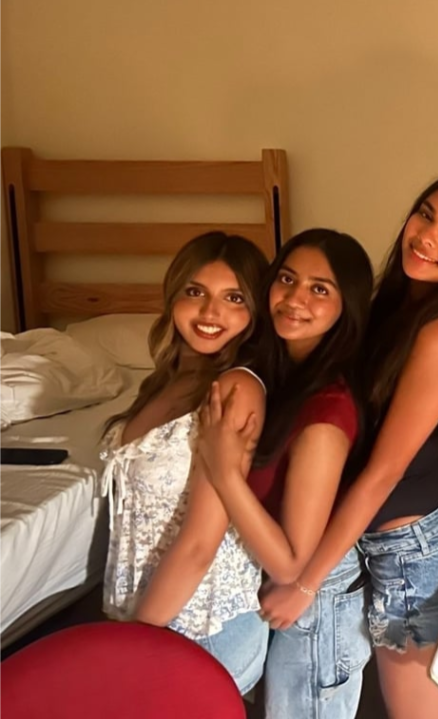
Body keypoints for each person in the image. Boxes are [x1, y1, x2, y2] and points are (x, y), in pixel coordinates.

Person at [260, 174, 438, 719]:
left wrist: (304, 584)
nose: (428, 235)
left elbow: (384, 471)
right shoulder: (389, 306)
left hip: (407, 552)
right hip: (370, 538)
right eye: (426, 214)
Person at [197, 228, 374, 719]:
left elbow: (292, 562)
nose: (295, 299)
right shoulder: (273, 375)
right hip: (282, 588)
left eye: (320, 289)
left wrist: (224, 474)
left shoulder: (326, 412)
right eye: (288, 279)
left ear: (346, 306)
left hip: (317, 599)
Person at [100, 231, 268, 694]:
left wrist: (132, 642)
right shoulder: (163, 381)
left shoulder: (236, 389)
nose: (210, 313)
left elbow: (199, 545)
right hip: (148, 614)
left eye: (234, 298)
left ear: (254, 311)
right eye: (196, 292)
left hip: (202, 625)